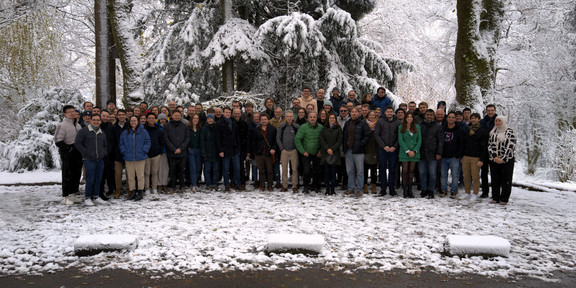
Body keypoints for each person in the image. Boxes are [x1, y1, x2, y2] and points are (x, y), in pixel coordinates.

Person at [74, 113, 107, 205]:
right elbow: (78, 143)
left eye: (98, 120)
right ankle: (88, 197)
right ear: (91, 121)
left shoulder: (101, 132)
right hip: (88, 159)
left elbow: (105, 145)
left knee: (98, 178)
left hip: (100, 159)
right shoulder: (84, 131)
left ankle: (96, 196)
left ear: (100, 121)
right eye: (94, 120)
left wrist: (103, 153)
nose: (96, 122)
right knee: (90, 179)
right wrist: (86, 153)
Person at [54, 105, 83, 205]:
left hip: (78, 153)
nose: (72, 113)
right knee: (67, 175)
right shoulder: (62, 125)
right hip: (68, 153)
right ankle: (65, 196)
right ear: (65, 114)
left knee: (76, 174)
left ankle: (72, 194)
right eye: (69, 112)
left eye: (73, 111)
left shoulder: (78, 125)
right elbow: (58, 140)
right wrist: (68, 149)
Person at [119, 116, 151, 201]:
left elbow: (147, 142)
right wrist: (124, 152)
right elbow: (121, 143)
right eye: (131, 121)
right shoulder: (125, 132)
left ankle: (140, 191)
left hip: (140, 157)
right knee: (130, 176)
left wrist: (144, 151)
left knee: (140, 175)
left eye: (135, 121)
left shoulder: (143, 132)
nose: (133, 122)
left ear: (138, 121)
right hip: (128, 157)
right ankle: (132, 191)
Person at [488, 116, 516, 205]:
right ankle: (495, 197)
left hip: (507, 161)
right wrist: (495, 157)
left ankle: (504, 198)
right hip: (494, 160)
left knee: (506, 180)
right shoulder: (493, 132)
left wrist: (503, 158)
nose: (498, 122)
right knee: (495, 179)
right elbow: (489, 145)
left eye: (499, 121)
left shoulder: (509, 132)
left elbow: (511, 146)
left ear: (503, 122)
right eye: (496, 121)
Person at [342, 108, 370, 197]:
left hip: (359, 151)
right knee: (350, 170)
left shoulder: (363, 123)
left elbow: (367, 136)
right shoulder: (347, 123)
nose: (354, 113)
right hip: (348, 150)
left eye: (356, 112)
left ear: (359, 113)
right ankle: (350, 188)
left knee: (360, 171)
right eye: (352, 112)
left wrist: (360, 144)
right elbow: (344, 136)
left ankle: (359, 189)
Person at [374, 106, 401, 196]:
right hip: (383, 149)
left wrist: (394, 146)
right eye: (388, 112)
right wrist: (383, 146)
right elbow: (377, 135)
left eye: (391, 112)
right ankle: (383, 188)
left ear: (393, 112)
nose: (389, 113)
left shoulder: (398, 122)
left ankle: (392, 188)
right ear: (385, 112)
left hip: (393, 149)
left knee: (392, 169)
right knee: (382, 169)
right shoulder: (380, 121)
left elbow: (399, 136)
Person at [461, 113, 488, 201]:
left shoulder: (483, 131)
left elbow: (484, 147)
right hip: (466, 156)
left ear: (479, 119)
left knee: (475, 177)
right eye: (472, 118)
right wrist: (462, 156)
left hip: (476, 157)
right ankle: (467, 192)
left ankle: (475, 193)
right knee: (466, 176)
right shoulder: (467, 130)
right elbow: (464, 143)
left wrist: (482, 159)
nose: (473, 120)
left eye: (475, 118)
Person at [295, 112, 323, 193]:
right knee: (306, 170)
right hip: (306, 153)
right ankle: (306, 186)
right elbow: (297, 139)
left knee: (317, 170)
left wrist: (320, 150)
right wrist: (303, 151)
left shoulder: (320, 127)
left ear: (317, 118)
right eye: (311, 117)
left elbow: (323, 140)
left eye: (314, 117)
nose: (312, 118)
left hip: (317, 153)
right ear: (308, 118)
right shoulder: (303, 127)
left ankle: (315, 185)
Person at [418, 109, 444, 199]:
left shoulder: (437, 127)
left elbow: (440, 141)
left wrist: (439, 153)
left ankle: (431, 190)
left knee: (432, 174)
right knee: (422, 173)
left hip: (433, 154)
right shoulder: (420, 126)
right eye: (427, 115)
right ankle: (424, 189)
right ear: (425, 115)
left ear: (433, 116)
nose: (429, 116)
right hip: (421, 153)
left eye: (431, 115)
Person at [215, 107, 241, 192]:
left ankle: (237, 183)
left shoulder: (234, 122)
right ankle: (226, 184)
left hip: (234, 149)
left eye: (229, 112)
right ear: (223, 113)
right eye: (226, 112)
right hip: (225, 150)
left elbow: (237, 136)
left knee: (237, 168)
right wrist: (220, 150)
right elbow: (217, 138)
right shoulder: (219, 123)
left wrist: (237, 147)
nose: (228, 114)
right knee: (225, 169)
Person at [249, 114, 277, 191]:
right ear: (260, 121)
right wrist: (254, 152)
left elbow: (275, 141)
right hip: (259, 153)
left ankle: (270, 185)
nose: (264, 121)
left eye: (265, 119)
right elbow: (253, 142)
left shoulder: (273, 129)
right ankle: (262, 185)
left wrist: (273, 149)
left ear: (268, 120)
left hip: (269, 153)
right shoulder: (256, 130)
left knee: (270, 170)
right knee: (261, 170)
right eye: (262, 120)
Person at [440, 112, 464, 199]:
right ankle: (443, 190)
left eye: (453, 117)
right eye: (449, 117)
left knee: (455, 175)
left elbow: (462, 144)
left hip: (454, 157)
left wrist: (458, 155)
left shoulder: (459, 130)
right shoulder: (443, 129)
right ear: (447, 118)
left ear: (455, 119)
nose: (451, 119)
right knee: (443, 175)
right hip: (444, 156)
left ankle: (454, 190)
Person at [164, 110, 189, 193]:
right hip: (172, 153)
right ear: (172, 115)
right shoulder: (167, 126)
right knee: (173, 170)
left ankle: (182, 186)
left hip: (182, 152)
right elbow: (166, 139)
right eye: (175, 115)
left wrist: (180, 148)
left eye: (178, 115)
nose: (177, 117)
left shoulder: (184, 126)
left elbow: (187, 138)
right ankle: (173, 186)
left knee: (182, 170)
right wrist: (174, 149)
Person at [398, 111, 421, 198]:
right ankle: (404, 191)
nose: (409, 118)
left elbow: (419, 140)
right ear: (405, 118)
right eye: (408, 117)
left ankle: (410, 190)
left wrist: (415, 151)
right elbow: (401, 140)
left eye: (411, 117)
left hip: (414, 153)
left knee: (411, 171)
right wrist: (407, 151)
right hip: (404, 152)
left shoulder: (417, 127)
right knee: (404, 171)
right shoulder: (401, 127)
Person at [277, 110, 300, 192]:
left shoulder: (296, 127)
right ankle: (284, 185)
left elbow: (299, 138)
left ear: (293, 117)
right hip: (284, 151)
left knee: (294, 169)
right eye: (287, 116)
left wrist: (297, 148)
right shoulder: (282, 126)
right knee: (284, 169)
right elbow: (278, 138)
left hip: (294, 150)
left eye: (290, 116)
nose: (289, 118)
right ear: (285, 117)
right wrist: (281, 148)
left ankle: (294, 186)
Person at [320, 113, 342, 195]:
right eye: (330, 118)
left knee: (333, 172)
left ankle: (332, 189)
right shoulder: (324, 128)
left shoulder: (338, 129)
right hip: (326, 153)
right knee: (326, 172)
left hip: (335, 153)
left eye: (333, 118)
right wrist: (327, 149)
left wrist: (332, 149)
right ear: (328, 119)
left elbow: (339, 141)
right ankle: (327, 189)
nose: (332, 119)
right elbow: (322, 140)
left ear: (335, 119)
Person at [480, 104, 497, 198]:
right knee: (484, 172)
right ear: (486, 111)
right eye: (488, 110)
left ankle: (495, 192)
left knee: (495, 173)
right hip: (484, 150)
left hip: (495, 151)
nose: (490, 112)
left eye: (492, 110)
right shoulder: (482, 122)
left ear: (494, 111)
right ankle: (485, 191)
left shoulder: (498, 121)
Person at [98, 110, 116, 200]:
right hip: (98, 155)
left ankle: (108, 190)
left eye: (106, 116)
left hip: (109, 155)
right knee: (99, 176)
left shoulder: (111, 127)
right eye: (103, 116)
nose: (105, 118)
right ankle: (99, 193)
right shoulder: (96, 127)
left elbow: (113, 141)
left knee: (107, 174)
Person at [144, 113, 164, 195]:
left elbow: (161, 142)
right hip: (146, 154)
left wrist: (160, 152)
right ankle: (147, 188)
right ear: (147, 119)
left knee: (154, 172)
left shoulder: (158, 130)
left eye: (153, 118)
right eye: (150, 118)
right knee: (146, 172)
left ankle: (154, 187)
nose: (151, 119)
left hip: (156, 154)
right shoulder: (143, 129)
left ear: (155, 119)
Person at [112, 109, 129, 198]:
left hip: (128, 154)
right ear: (117, 116)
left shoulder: (129, 126)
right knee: (118, 174)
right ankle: (118, 189)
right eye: (120, 115)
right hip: (117, 154)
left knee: (129, 173)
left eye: (123, 114)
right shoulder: (114, 127)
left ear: (126, 116)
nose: (121, 116)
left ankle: (129, 189)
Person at [201, 114, 220, 191]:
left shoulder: (216, 127)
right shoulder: (204, 129)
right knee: (207, 169)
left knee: (215, 169)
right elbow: (202, 142)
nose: (210, 120)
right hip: (207, 152)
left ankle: (215, 183)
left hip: (215, 152)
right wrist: (204, 153)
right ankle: (208, 183)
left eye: (211, 119)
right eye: (208, 119)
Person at [233, 108, 249, 191]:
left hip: (242, 148)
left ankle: (242, 182)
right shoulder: (231, 123)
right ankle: (234, 182)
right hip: (233, 148)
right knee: (234, 166)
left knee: (241, 167)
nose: (237, 115)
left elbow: (247, 137)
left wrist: (247, 150)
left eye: (238, 113)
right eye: (235, 113)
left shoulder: (244, 124)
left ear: (241, 114)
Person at [363, 110, 379, 194]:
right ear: (367, 116)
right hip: (366, 148)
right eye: (370, 115)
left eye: (373, 115)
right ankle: (365, 185)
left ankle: (374, 185)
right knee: (365, 169)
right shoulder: (364, 124)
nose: (372, 117)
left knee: (374, 169)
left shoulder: (378, 124)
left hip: (375, 148)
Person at [187, 114, 202, 192]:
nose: (195, 120)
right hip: (191, 150)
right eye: (194, 118)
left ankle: (196, 182)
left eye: (197, 118)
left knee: (198, 168)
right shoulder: (188, 129)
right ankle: (193, 184)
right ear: (191, 119)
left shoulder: (200, 129)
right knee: (193, 167)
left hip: (199, 150)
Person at [157, 113, 169, 193]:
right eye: (161, 119)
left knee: (165, 168)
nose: (163, 121)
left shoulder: (168, 127)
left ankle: (164, 183)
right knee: (158, 169)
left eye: (164, 119)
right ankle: (159, 184)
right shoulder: (156, 127)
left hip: (167, 150)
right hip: (158, 151)